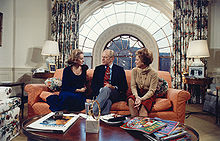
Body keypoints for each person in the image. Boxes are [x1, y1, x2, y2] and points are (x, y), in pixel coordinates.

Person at [91, 49, 128, 115]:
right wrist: (101, 90)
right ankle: (103, 119)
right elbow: (93, 85)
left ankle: (93, 112)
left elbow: (124, 87)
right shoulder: (98, 69)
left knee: (107, 89)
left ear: (112, 58)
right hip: (102, 94)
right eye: (102, 57)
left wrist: (113, 87)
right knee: (108, 102)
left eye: (105, 57)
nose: (102, 59)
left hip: (115, 94)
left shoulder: (119, 70)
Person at [128, 48, 158, 117]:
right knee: (130, 100)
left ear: (143, 61)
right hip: (137, 93)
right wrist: (137, 97)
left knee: (143, 108)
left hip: (148, 95)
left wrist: (141, 99)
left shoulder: (153, 73)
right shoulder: (134, 71)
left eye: (137, 60)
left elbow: (152, 91)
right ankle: (134, 123)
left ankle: (142, 126)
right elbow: (133, 86)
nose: (135, 62)